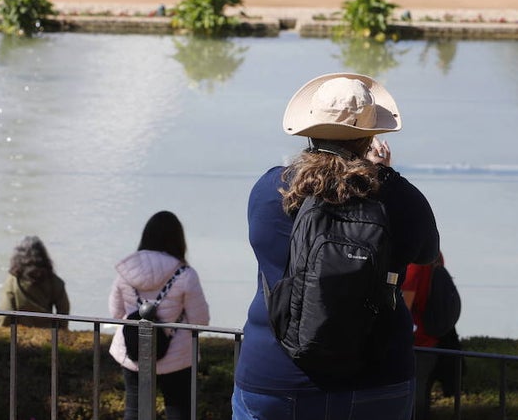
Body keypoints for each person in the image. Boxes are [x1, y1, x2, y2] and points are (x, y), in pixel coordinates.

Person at [232, 72, 440, 420]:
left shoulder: (272, 190)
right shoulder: (399, 197)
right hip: (377, 378)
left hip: (275, 377)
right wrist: (384, 176)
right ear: (372, 135)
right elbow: (427, 254)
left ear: (309, 129)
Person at [109, 211, 210, 420]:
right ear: (178, 240)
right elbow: (200, 320)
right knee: (179, 410)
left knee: (135, 411)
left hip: (133, 350)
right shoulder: (185, 274)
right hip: (177, 356)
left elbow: (116, 313)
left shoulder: (126, 270)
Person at [403, 255, 462, 420]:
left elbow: (403, 309)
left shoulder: (413, 262)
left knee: (412, 396)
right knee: (421, 392)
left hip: (416, 341)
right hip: (430, 340)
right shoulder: (433, 254)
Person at [0, 235, 70, 328]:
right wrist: (61, 333)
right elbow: (63, 310)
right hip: (48, 336)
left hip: (20, 335)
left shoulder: (13, 280)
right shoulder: (54, 281)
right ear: (43, 256)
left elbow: (5, 313)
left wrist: (0, 334)